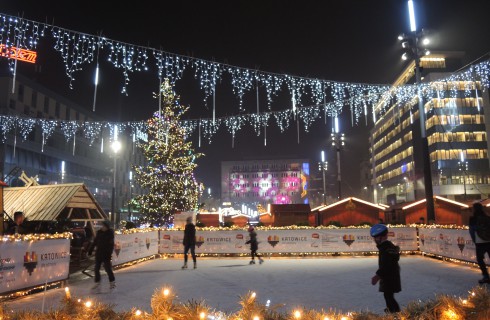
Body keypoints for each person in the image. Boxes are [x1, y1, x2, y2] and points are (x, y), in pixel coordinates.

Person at [370, 223, 401, 313]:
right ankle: (392, 311)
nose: (375, 240)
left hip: (390, 277)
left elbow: (387, 265)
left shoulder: (386, 248)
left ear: (381, 237)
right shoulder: (386, 247)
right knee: (388, 295)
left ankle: (395, 313)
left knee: (388, 296)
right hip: (390, 276)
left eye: (375, 237)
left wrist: (377, 276)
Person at [88, 220, 116, 292]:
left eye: (103, 226)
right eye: (102, 225)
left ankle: (112, 282)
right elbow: (95, 242)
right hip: (99, 253)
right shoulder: (99, 232)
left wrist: (109, 253)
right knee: (96, 268)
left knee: (107, 269)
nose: (102, 227)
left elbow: (111, 245)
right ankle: (97, 282)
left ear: (107, 226)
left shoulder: (110, 233)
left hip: (106, 254)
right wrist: (90, 250)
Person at [469, 202, 490, 284]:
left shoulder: (473, 219)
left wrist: (475, 241)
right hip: (489, 241)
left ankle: (486, 276)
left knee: (480, 260)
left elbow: (471, 231)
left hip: (480, 242)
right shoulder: (487, 217)